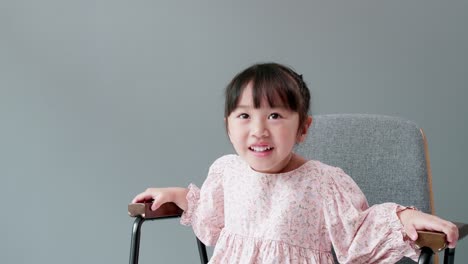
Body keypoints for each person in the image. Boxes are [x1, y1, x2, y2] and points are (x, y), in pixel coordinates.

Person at [131, 62, 458, 263]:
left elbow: (358, 233)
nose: (258, 129)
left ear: (302, 127)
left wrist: (406, 218)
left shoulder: (322, 182)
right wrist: (180, 195)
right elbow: (211, 218)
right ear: (228, 126)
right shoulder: (226, 171)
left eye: (274, 115)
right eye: (244, 115)